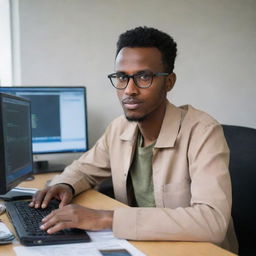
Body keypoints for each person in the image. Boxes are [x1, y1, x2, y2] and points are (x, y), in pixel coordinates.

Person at [30, 26, 238, 253]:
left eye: (143, 76)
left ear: (168, 82)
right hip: (141, 245)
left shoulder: (203, 132)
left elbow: (212, 221)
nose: (129, 90)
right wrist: (65, 184)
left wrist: (106, 219)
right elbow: (83, 169)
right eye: (121, 77)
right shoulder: (119, 128)